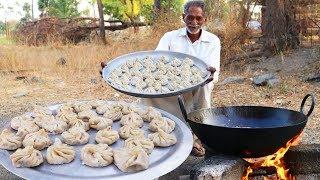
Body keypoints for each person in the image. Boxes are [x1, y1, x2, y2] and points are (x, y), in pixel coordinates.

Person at [101, 0, 221, 156]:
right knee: (151, 92)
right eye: (190, 18)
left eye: (199, 18)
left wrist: (211, 75)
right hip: (169, 84)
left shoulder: (212, 40)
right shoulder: (170, 37)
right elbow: (155, 64)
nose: (194, 22)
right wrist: (111, 70)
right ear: (183, 17)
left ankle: (195, 136)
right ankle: (160, 131)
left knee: (203, 88)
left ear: (205, 19)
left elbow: (213, 68)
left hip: (198, 85)